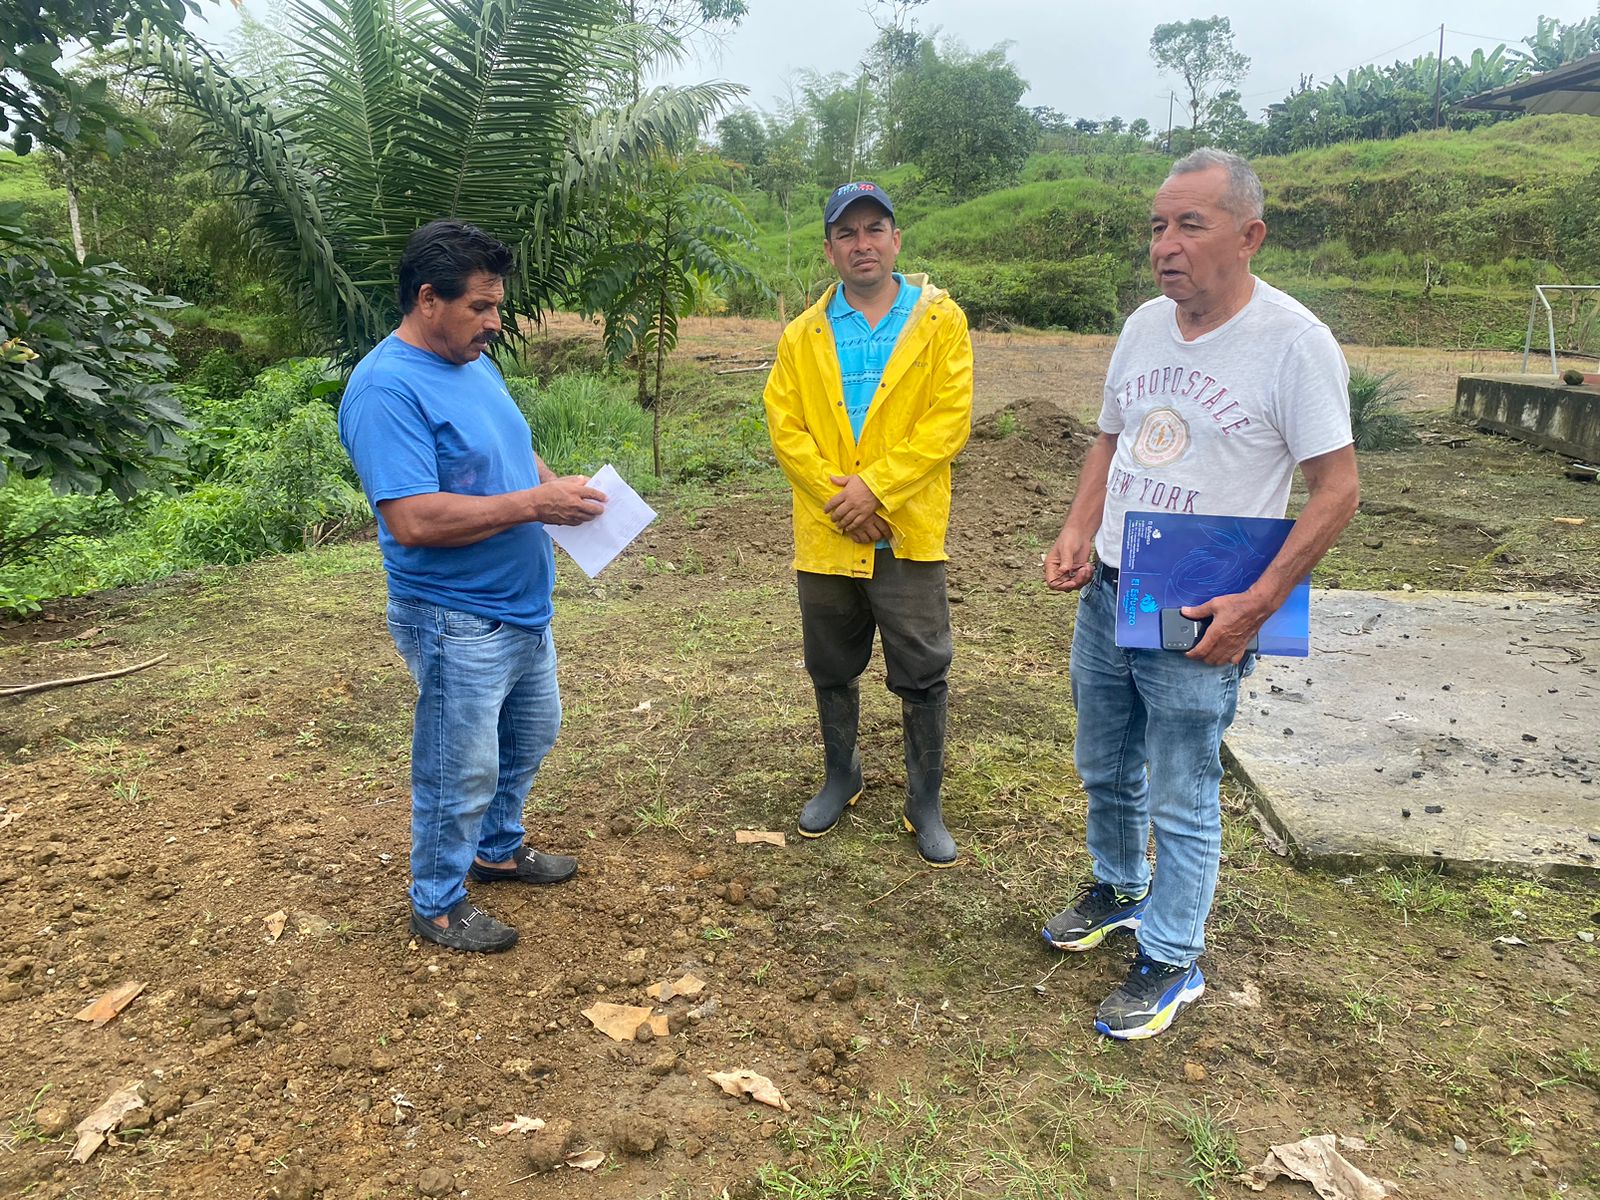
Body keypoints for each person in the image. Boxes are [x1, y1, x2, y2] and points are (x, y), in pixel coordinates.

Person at [1041, 149, 1360, 1038]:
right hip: (1113, 587)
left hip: (1202, 604)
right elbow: (1111, 438)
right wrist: (1078, 527)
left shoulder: (1293, 344)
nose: (1165, 245)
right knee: (1104, 761)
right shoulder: (1144, 325)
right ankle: (1120, 886)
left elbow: (1338, 490)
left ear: (1249, 236)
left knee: (1183, 789)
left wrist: (1259, 602)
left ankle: (1174, 956)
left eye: (1190, 224)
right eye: (1157, 226)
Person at [338, 219, 608, 953]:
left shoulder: (472, 362)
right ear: (429, 299)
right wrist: (534, 504)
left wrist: (556, 488)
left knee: (529, 734)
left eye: (496, 307)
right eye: (480, 307)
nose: (494, 323)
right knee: (458, 768)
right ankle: (436, 901)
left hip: (520, 606)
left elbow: (511, 448)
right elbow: (413, 519)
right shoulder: (386, 389)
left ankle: (497, 849)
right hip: (455, 615)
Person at [762, 181, 974, 867]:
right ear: (830, 249)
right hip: (828, 531)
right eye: (847, 234)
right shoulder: (803, 334)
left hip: (905, 529)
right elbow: (786, 427)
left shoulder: (941, 322)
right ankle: (841, 775)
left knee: (923, 667)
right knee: (830, 662)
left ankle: (924, 801)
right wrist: (842, 499)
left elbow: (948, 421)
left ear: (896, 240)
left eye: (874, 230)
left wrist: (876, 490)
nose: (863, 244)